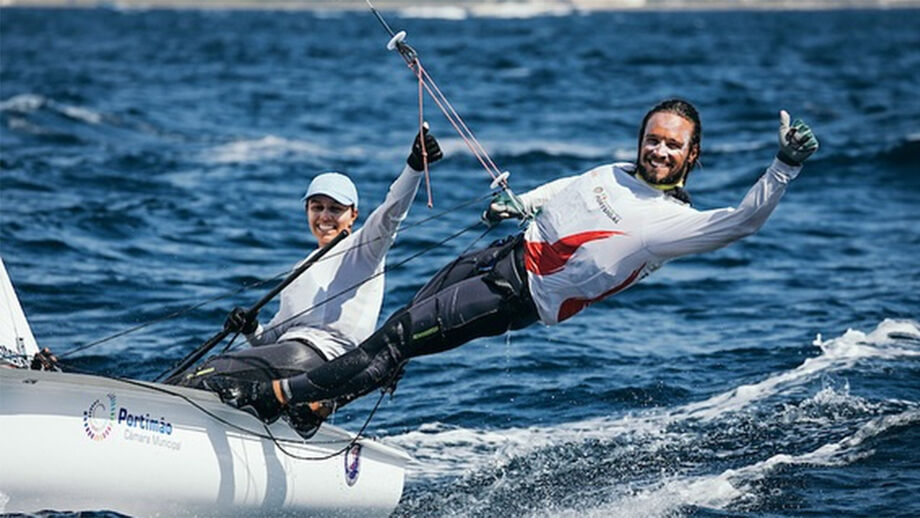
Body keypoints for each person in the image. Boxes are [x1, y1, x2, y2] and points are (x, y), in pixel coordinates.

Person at [212, 99, 819, 426]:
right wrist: (520, 203)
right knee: (400, 328)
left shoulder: (672, 224)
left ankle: (277, 396)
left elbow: (742, 221)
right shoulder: (615, 172)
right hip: (498, 255)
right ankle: (320, 405)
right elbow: (565, 191)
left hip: (519, 294)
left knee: (395, 339)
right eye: (653, 138)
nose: (658, 150)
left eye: (672, 145)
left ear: (692, 154)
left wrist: (782, 168)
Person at [167, 125, 442, 429]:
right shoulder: (301, 268)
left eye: (335, 209)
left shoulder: (364, 249)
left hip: (320, 359)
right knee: (217, 375)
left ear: (353, 215)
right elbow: (271, 339)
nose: (324, 216)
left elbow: (391, 212)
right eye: (317, 207)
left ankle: (163, 412)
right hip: (290, 356)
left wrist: (414, 167)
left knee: (214, 370)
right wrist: (251, 328)